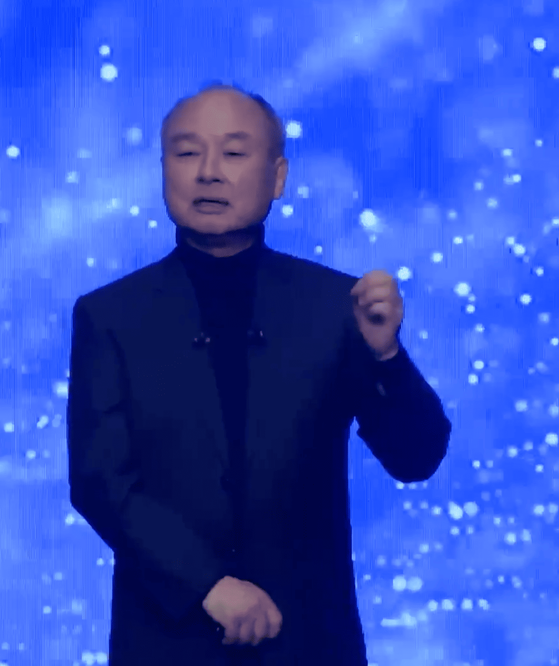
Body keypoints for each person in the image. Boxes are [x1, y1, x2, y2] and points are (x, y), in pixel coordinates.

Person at [66, 82, 452, 666]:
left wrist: (386, 356)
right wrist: (207, 586)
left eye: (233, 152)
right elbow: (101, 482)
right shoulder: (110, 315)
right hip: (167, 642)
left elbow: (416, 458)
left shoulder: (335, 306)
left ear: (277, 177)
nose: (209, 172)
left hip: (310, 642)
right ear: (163, 170)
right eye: (187, 152)